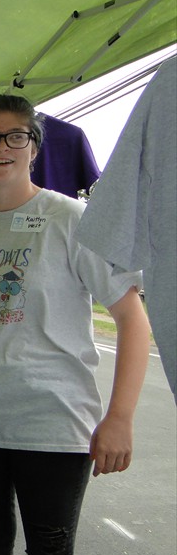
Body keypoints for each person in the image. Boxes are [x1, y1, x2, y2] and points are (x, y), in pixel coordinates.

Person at [0, 94, 150, 555]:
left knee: (50, 548)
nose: (1, 147)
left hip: (53, 423)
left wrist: (120, 418)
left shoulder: (73, 219)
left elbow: (131, 318)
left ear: (33, 148)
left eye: (15, 136)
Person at [75, 57, 176, 403]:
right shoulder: (169, 85)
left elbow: (111, 230)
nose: (3, 148)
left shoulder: (66, 215)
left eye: (17, 137)